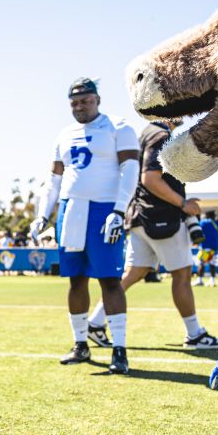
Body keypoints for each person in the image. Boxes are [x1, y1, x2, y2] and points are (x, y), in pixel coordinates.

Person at [29, 77, 139, 374]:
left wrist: (119, 209)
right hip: (71, 210)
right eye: (74, 102)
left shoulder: (119, 127)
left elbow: (131, 169)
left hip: (105, 210)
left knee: (110, 280)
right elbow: (53, 180)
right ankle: (80, 343)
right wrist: (43, 214)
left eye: (85, 100)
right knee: (75, 278)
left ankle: (119, 349)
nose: (80, 106)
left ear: (98, 100)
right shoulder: (64, 134)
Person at [87, 121, 218, 350]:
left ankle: (96, 320)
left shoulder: (145, 133)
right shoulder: (160, 135)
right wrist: (182, 203)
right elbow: (150, 178)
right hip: (161, 218)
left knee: (134, 273)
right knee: (182, 274)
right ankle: (194, 334)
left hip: (141, 215)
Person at [192, 212, 218, 287]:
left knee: (201, 263)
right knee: (212, 263)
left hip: (205, 246)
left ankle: (200, 280)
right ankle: (212, 280)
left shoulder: (203, 222)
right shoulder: (217, 223)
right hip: (214, 247)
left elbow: (198, 230)